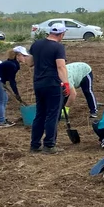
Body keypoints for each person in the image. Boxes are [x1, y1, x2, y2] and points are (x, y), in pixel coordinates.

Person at [29, 23, 69, 154]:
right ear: (62, 34)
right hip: (52, 84)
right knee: (52, 114)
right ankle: (49, 145)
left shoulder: (36, 44)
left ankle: (35, 144)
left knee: (40, 114)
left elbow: (30, 62)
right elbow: (61, 67)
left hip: (38, 84)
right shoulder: (58, 47)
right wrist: (66, 84)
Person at [0, 46, 30, 128]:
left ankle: (2, 119)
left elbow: (7, 76)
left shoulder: (13, 63)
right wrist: (16, 94)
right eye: (24, 55)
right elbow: (12, 81)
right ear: (18, 56)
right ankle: (1, 122)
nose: (25, 57)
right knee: (1, 100)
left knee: (5, 98)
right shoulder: (12, 65)